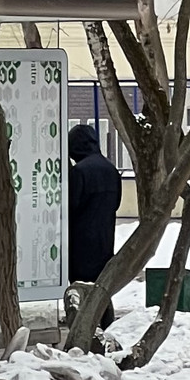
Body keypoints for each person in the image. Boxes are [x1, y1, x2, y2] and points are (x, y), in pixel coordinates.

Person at [67, 123, 123, 327]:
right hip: (105, 240)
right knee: (100, 288)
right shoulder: (111, 170)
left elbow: (71, 206)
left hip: (80, 243)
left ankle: (85, 329)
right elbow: (116, 204)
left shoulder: (79, 172)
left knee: (81, 290)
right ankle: (106, 323)